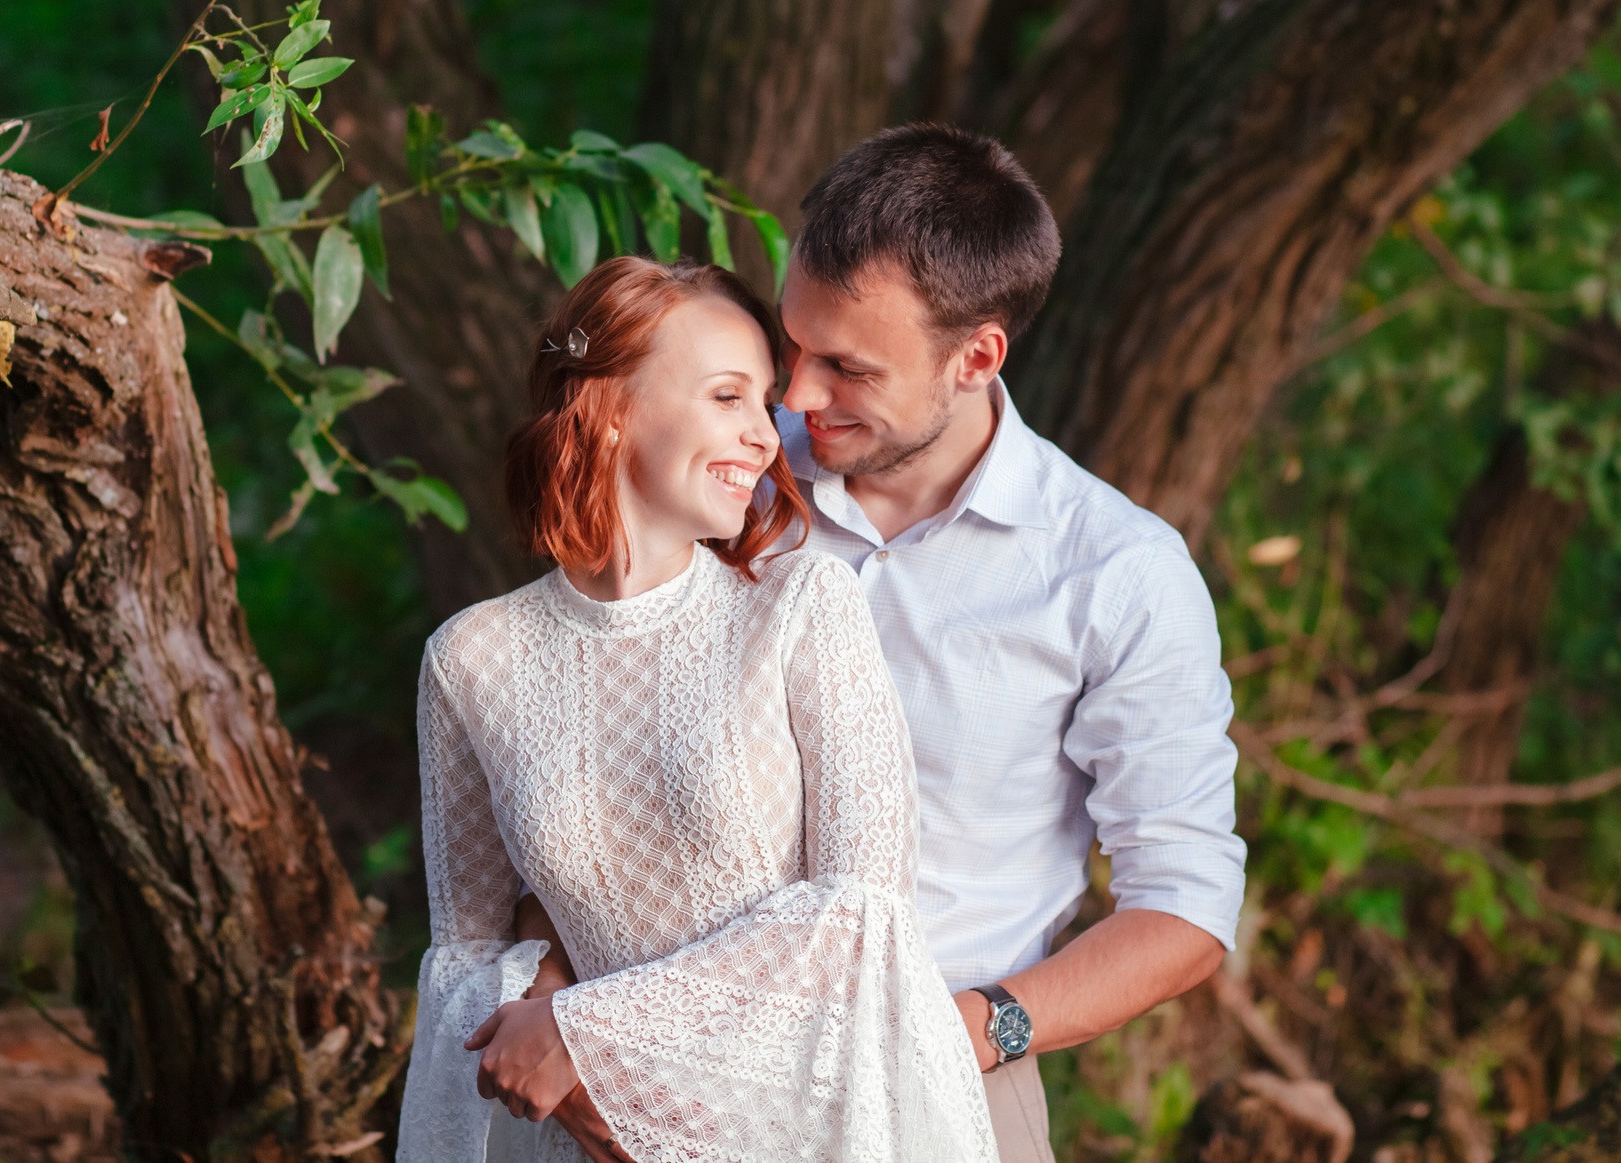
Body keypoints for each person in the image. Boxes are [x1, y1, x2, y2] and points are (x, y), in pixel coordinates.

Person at [395, 256, 999, 1163]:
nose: (767, 435)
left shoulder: (801, 607)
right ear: (609, 407)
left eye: (765, 402)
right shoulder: (471, 660)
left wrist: (586, 1031)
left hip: (802, 1127)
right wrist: (568, 1063)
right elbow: (466, 962)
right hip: (583, 1139)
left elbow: (859, 913)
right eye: (728, 396)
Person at [768, 123, 1247, 1162]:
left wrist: (969, 1033)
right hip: (659, 1071)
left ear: (975, 356)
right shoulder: (726, 477)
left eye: (845, 367)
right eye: (789, 344)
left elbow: (1186, 906)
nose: (798, 396)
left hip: (935, 1099)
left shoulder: (1116, 574)